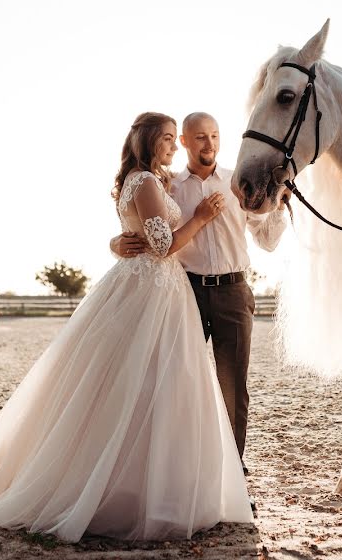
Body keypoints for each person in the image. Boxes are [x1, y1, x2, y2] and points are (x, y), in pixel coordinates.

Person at [0, 112, 253, 542]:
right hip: (160, 289)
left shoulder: (157, 179)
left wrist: (118, 240)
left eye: (181, 138)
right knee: (152, 384)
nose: (176, 146)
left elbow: (136, 226)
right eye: (171, 139)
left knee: (170, 384)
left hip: (172, 290)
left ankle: (194, 476)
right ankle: (136, 488)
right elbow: (160, 245)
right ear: (153, 142)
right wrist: (201, 218)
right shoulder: (152, 182)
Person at [112, 112, 288, 472]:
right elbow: (140, 223)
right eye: (200, 138)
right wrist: (115, 242)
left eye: (215, 136)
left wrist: (280, 207)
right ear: (185, 143)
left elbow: (266, 241)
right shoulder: (169, 186)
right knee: (179, 383)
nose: (210, 144)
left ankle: (232, 475)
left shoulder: (237, 184)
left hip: (234, 292)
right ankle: (182, 472)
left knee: (233, 390)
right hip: (184, 293)